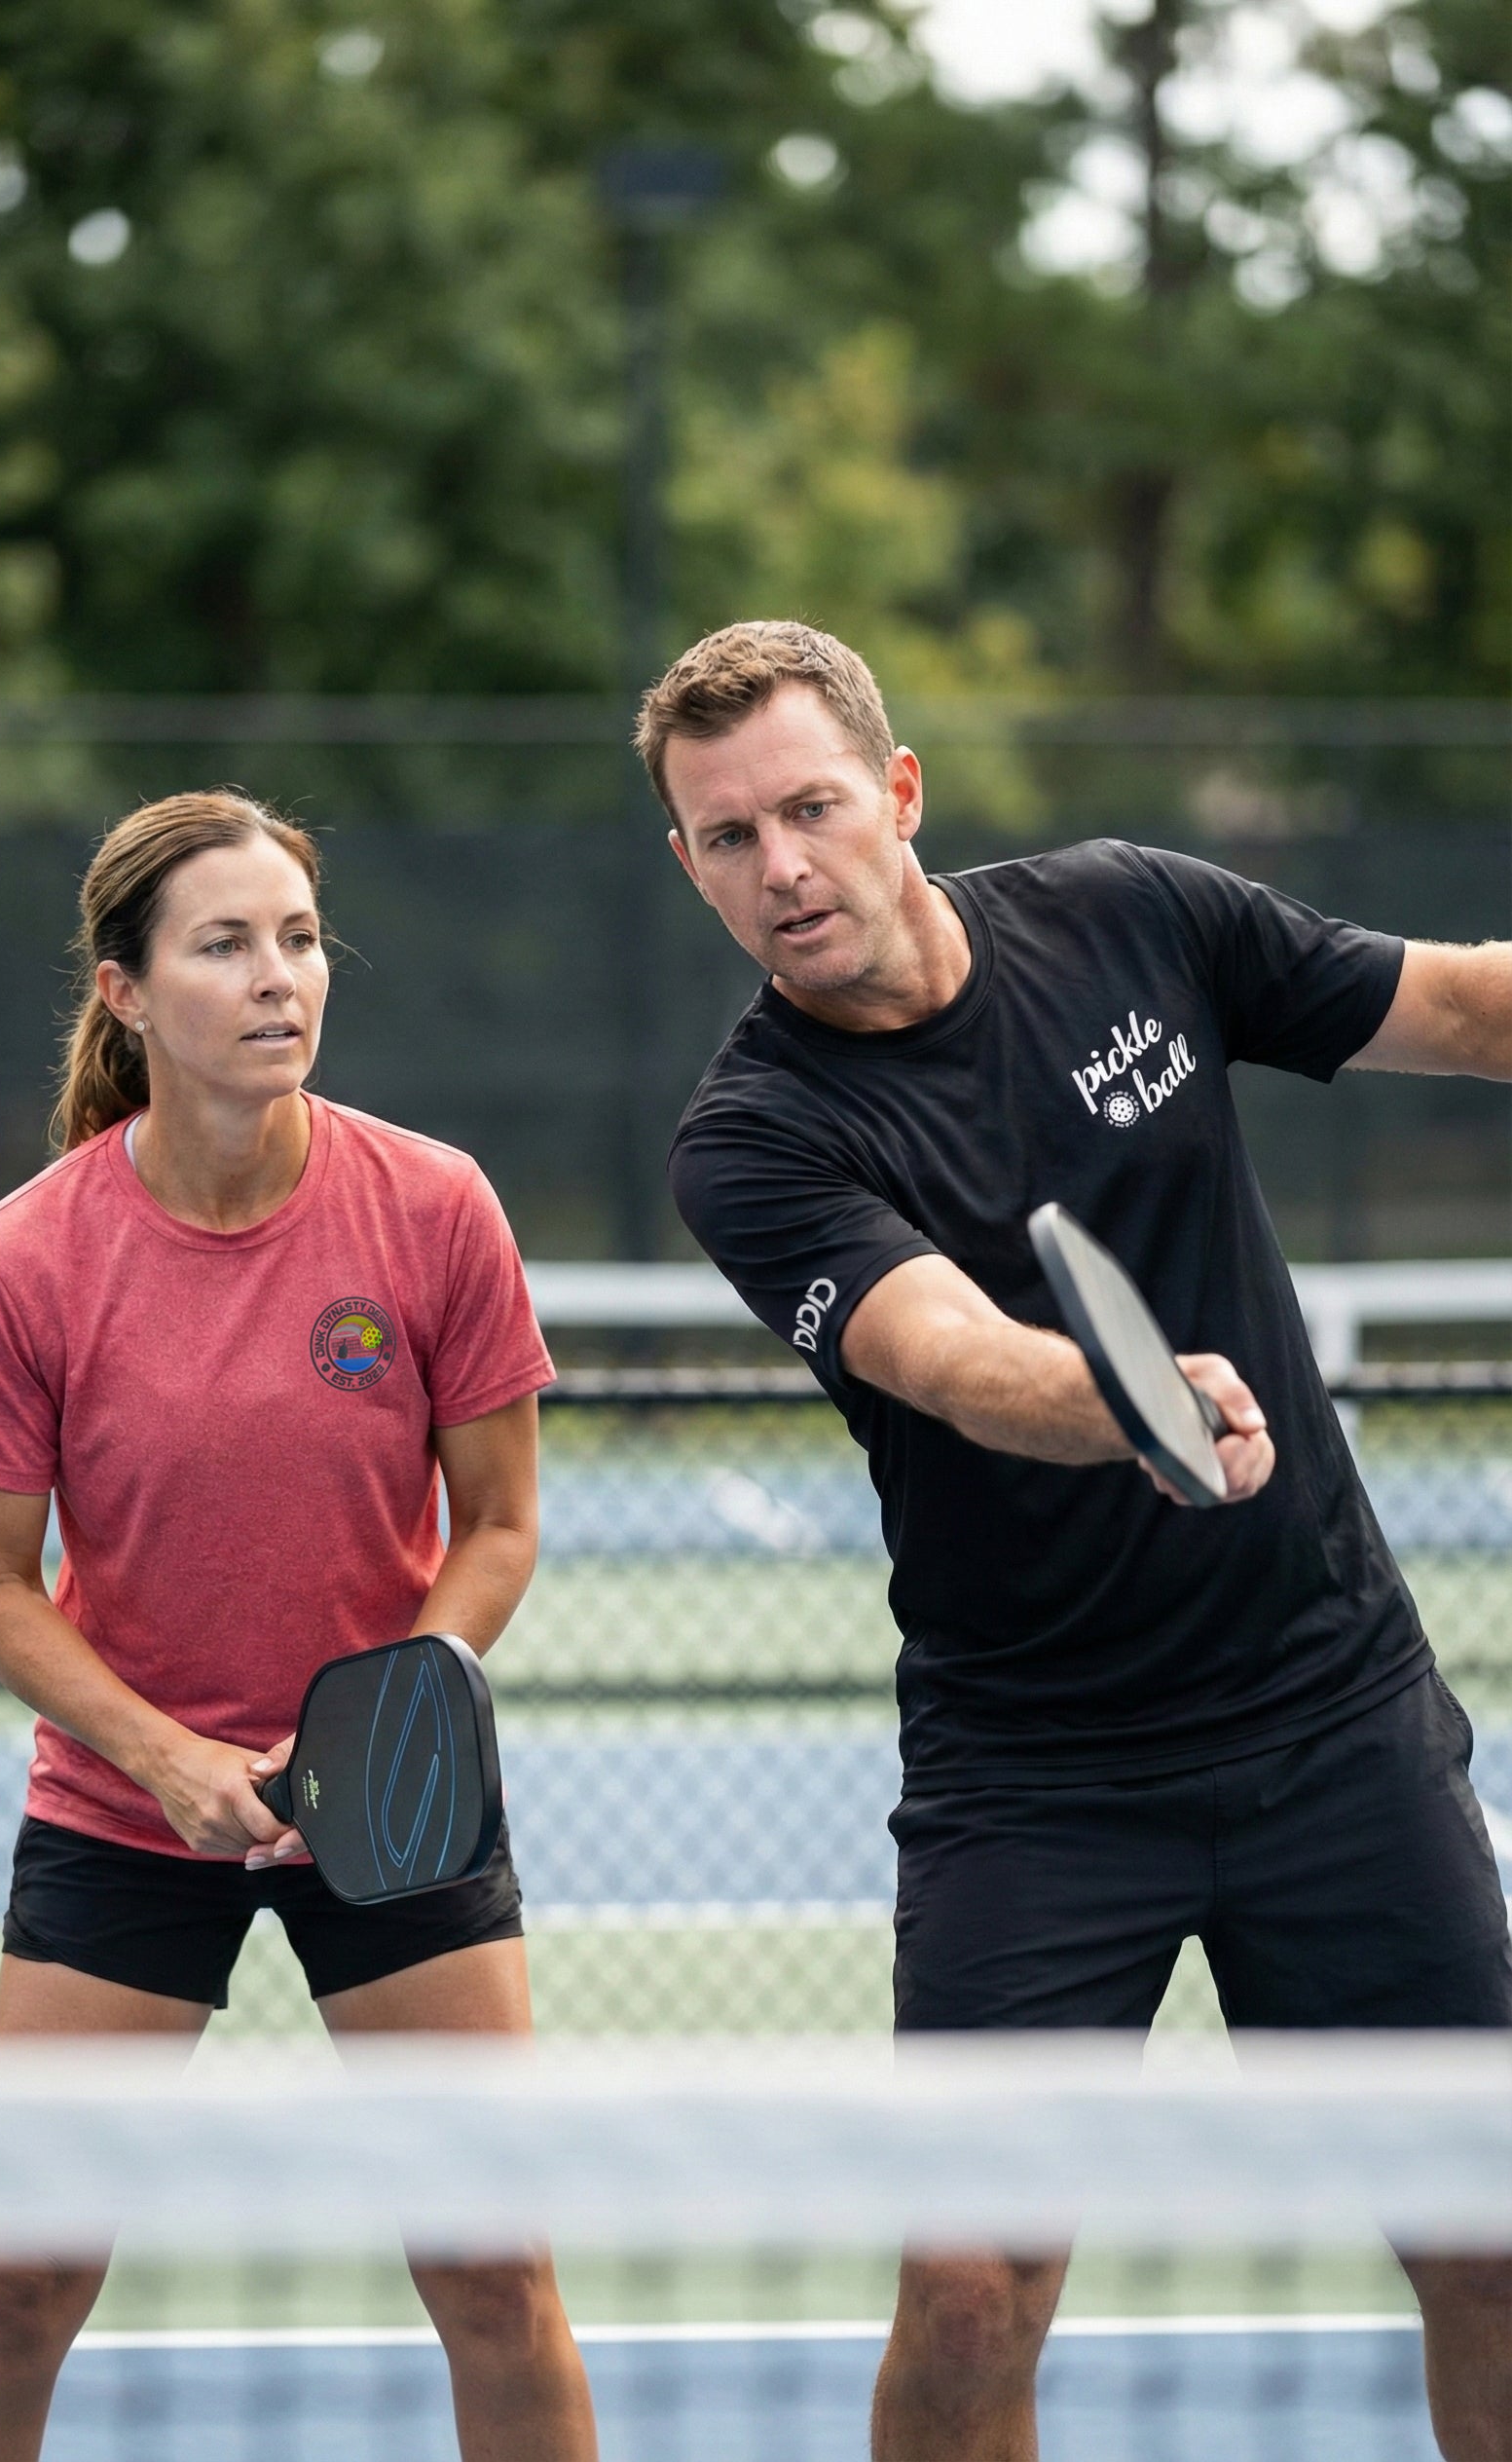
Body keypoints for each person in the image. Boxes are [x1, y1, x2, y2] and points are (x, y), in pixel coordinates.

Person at [641, 621, 1512, 2462]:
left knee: (1490, 2240)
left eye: (807, 810)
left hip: (1335, 1718)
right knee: (969, 2290)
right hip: (1037, 1779)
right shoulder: (752, 1138)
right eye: (728, 839)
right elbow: (944, 1356)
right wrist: (1127, 1401)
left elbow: (1466, 1004)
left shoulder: (1133, 914)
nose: (779, 868)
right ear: (691, 866)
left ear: (899, 794)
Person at [0, 792, 597, 2462]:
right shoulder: (25, 1259)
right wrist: (167, 1761)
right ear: (128, 994)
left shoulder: (434, 1210)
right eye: (225, 944)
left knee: (496, 2272)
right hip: (122, 1818)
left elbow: (497, 1525)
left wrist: (387, 1717)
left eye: (298, 939)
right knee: (16, 2285)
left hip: (399, 1801)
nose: (279, 976)